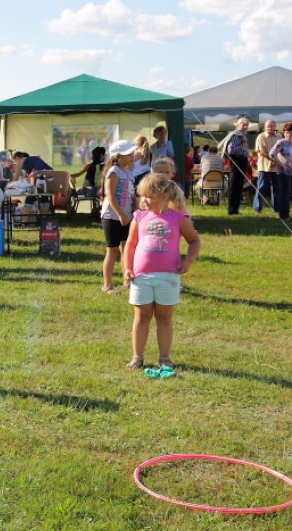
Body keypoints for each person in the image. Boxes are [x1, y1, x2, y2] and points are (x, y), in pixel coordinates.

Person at [122, 173, 200, 372]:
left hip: (168, 277)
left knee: (164, 317)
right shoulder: (139, 216)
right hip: (141, 276)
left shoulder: (179, 217)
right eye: (142, 196)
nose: (144, 201)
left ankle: (164, 357)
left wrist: (188, 260)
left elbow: (194, 240)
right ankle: (137, 356)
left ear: (165, 195)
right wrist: (127, 268)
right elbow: (130, 245)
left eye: (149, 196)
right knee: (141, 316)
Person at [100, 140, 137, 295]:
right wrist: (121, 214)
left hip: (126, 216)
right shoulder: (114, 171)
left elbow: (131, 195)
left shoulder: (128, 172)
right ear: (118, 156)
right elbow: (110, 195)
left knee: (126, 249)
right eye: (128, 154)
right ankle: (107, 285)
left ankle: (126, 280)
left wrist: (133, 211)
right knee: (112, 250)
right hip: (112, 216)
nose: (132, 156)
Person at [218, 117, 251, 215]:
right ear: (237, 124)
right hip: (236, 160)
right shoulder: (236, 135)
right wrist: (243, 144)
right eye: (243, 124)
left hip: (242, 160)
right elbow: (231, 150)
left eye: (246, 125)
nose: (245, 127)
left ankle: (235, 209)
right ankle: (232, 210)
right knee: (234, 185)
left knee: (239, 185)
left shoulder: (242, 135)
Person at [254, 119, 280, 215]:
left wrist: (277, 161)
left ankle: (276, 208)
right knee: (261, 187)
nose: (269, 128)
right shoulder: (261, 137)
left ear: (275, 126)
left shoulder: (279, 137)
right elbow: (261, 151)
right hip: (264, 166)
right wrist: (273, 160)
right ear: (264, 127)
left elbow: (280, 150)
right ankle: (257, 208)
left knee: (276, 188)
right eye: (268, 126)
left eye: (271, 126)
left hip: (276, 166)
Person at [268, 122, 292, 221]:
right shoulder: (281, 142)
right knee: (285, 193)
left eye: (291, 132)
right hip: (283, 172)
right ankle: (284, 214)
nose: (289, 134)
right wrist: (281, 164)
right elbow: (272, 153)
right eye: (287, 132)